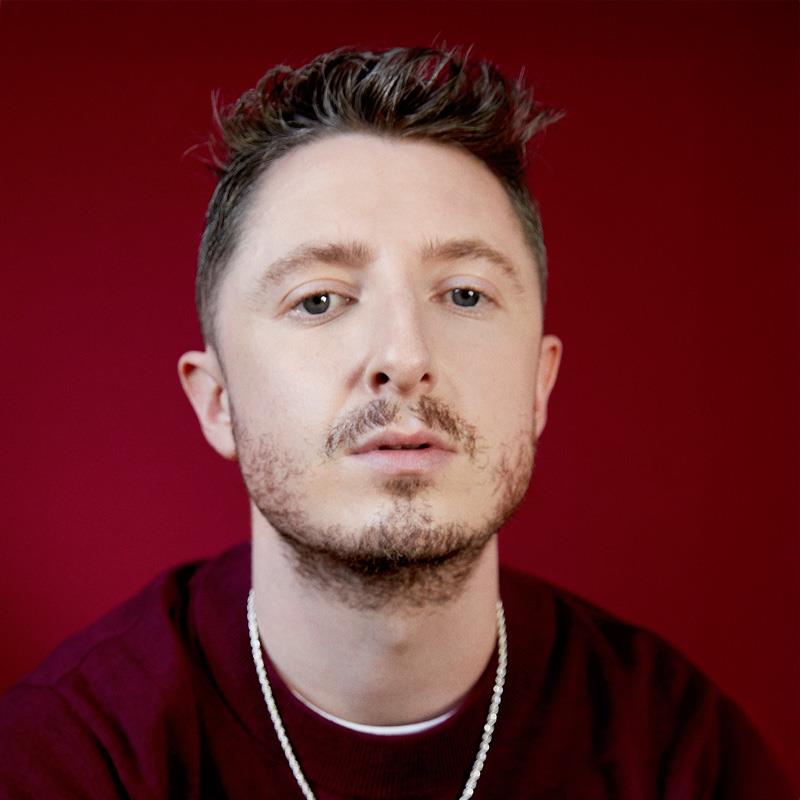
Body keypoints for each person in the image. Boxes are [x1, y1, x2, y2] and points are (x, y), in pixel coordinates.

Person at [0, 46, 793, 799]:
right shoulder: (69, 760)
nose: (405, 356)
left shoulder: (682, 755)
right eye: (319, 299)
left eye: (464, 294)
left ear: (539, 386)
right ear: (218, 401)